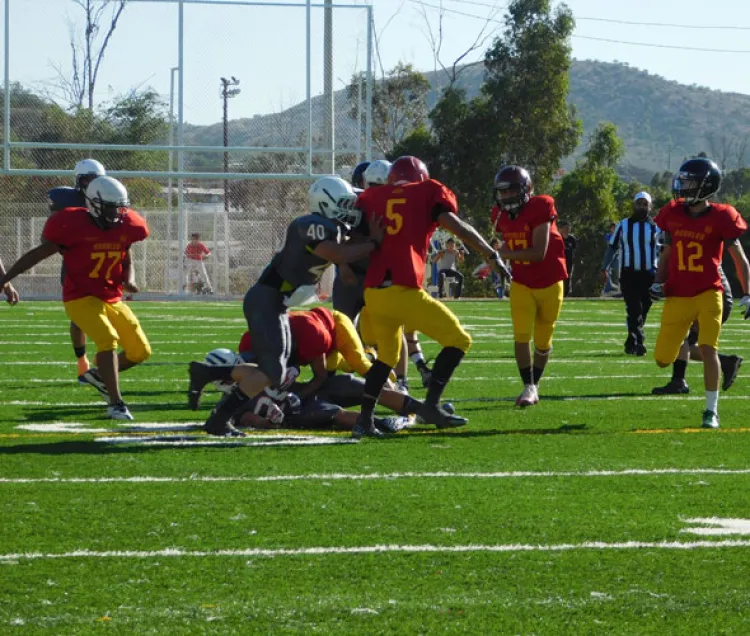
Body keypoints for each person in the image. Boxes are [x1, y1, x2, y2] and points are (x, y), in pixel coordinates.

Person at [188, 176, 384, 436]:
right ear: (326, 203)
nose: (350, 209)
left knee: (274, 370)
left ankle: (211, 384)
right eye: (345, 204)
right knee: (274, 370)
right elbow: (337, 254)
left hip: (278, 303)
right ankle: (217, 411)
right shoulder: (311, 225)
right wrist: (374, 243)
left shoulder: (330, 229)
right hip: (266, 299)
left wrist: (364, 240)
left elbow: (345, 268)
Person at [354, 155, 507, 438]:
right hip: (403, 289)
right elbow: (457, 226)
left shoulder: (371, 196)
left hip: (374, 294)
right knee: (460, 339)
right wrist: (491, 253)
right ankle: (432, 405)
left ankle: (364, 420)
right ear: (421, 178)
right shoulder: (427, 191)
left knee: (386, 358)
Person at [0, 176, 151, 420]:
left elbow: (126, 253)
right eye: (110, 207)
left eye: (119, 207)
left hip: (112, 296)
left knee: (140, 351)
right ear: (93, 204)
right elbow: (38, 254)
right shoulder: (72, 224)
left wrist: (129, 277)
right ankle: (116, 402)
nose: (117, 213)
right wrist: (5, 279)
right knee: (107, 339)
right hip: (80, 296)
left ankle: (99, 376)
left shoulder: (129, 225)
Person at [651, 157, 750, 429]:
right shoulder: (672, 213)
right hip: (678, 295)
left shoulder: (722, 216)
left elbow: (740, 260)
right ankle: (724, 366)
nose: (683, 186)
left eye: (690, 182)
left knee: (708, 348)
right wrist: (658, 281)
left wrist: (747, 293)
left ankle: (711, 411)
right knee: (662, 359)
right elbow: (667, 253)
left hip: (709, 291)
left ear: (706, 186)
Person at [492, 165, 568, 408]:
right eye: (502, 192)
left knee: (543, 341)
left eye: (510, 191)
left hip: (550, 281)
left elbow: (538, 252)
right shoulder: (499, 215)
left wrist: (503, 253)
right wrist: (493, 260)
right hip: (522, 282)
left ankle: (535, 383)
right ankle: (529, 386)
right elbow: (500, 248)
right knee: (521, 336)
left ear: (525, 190)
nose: (505, 197)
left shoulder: (541, 206)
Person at [48, 158, 108, 380]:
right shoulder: (65, 199)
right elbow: (52, 232)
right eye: (87, 179)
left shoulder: (110, 196)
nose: (91, 184)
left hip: (105, 260)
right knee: (79, 316)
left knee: (109, 313)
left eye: (95, 179)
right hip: (75, 264)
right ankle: (82, 361)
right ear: (79, 180)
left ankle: (104, 358)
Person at [651, 267, 743, 395]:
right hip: (712, 295)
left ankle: (679, 382)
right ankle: (725, 362)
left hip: (709, 296)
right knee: (689, 343)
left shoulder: (691, 251)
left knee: (682, 336)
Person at [600, 191, 660, 356]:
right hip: (629, 275)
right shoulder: (623, 225)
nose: (642, 207)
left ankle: (630, 341)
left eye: (645, 204)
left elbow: (663, 251)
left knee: (644, 310)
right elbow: (612, 248)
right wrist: (604, 267)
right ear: (634, 205)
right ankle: (639, 342)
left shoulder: (656, 227)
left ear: (650, 206)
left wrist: (663, 275)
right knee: (634, 309)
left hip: (649, 275)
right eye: (639, 203)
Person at [558, 220, 577, 296]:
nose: (567, 229)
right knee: (559, 278)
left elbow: (575, 249)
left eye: (568, 228)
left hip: (569, 262)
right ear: (561, 228)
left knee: (568, 277)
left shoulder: (572, 239)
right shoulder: (558, 238)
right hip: (559, 262)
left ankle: (566, 293)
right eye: (565, 227)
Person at [602, 222, 620, 293]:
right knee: (606, 270)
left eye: (615, 227)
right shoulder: (608, 235)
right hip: (609, 256)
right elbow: (609, 243)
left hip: (617, 256)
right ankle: (609, 286)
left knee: (619, 271)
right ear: (610, 229)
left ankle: (621, 286)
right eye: (612, 227)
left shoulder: (620, 236)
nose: (614, 229)